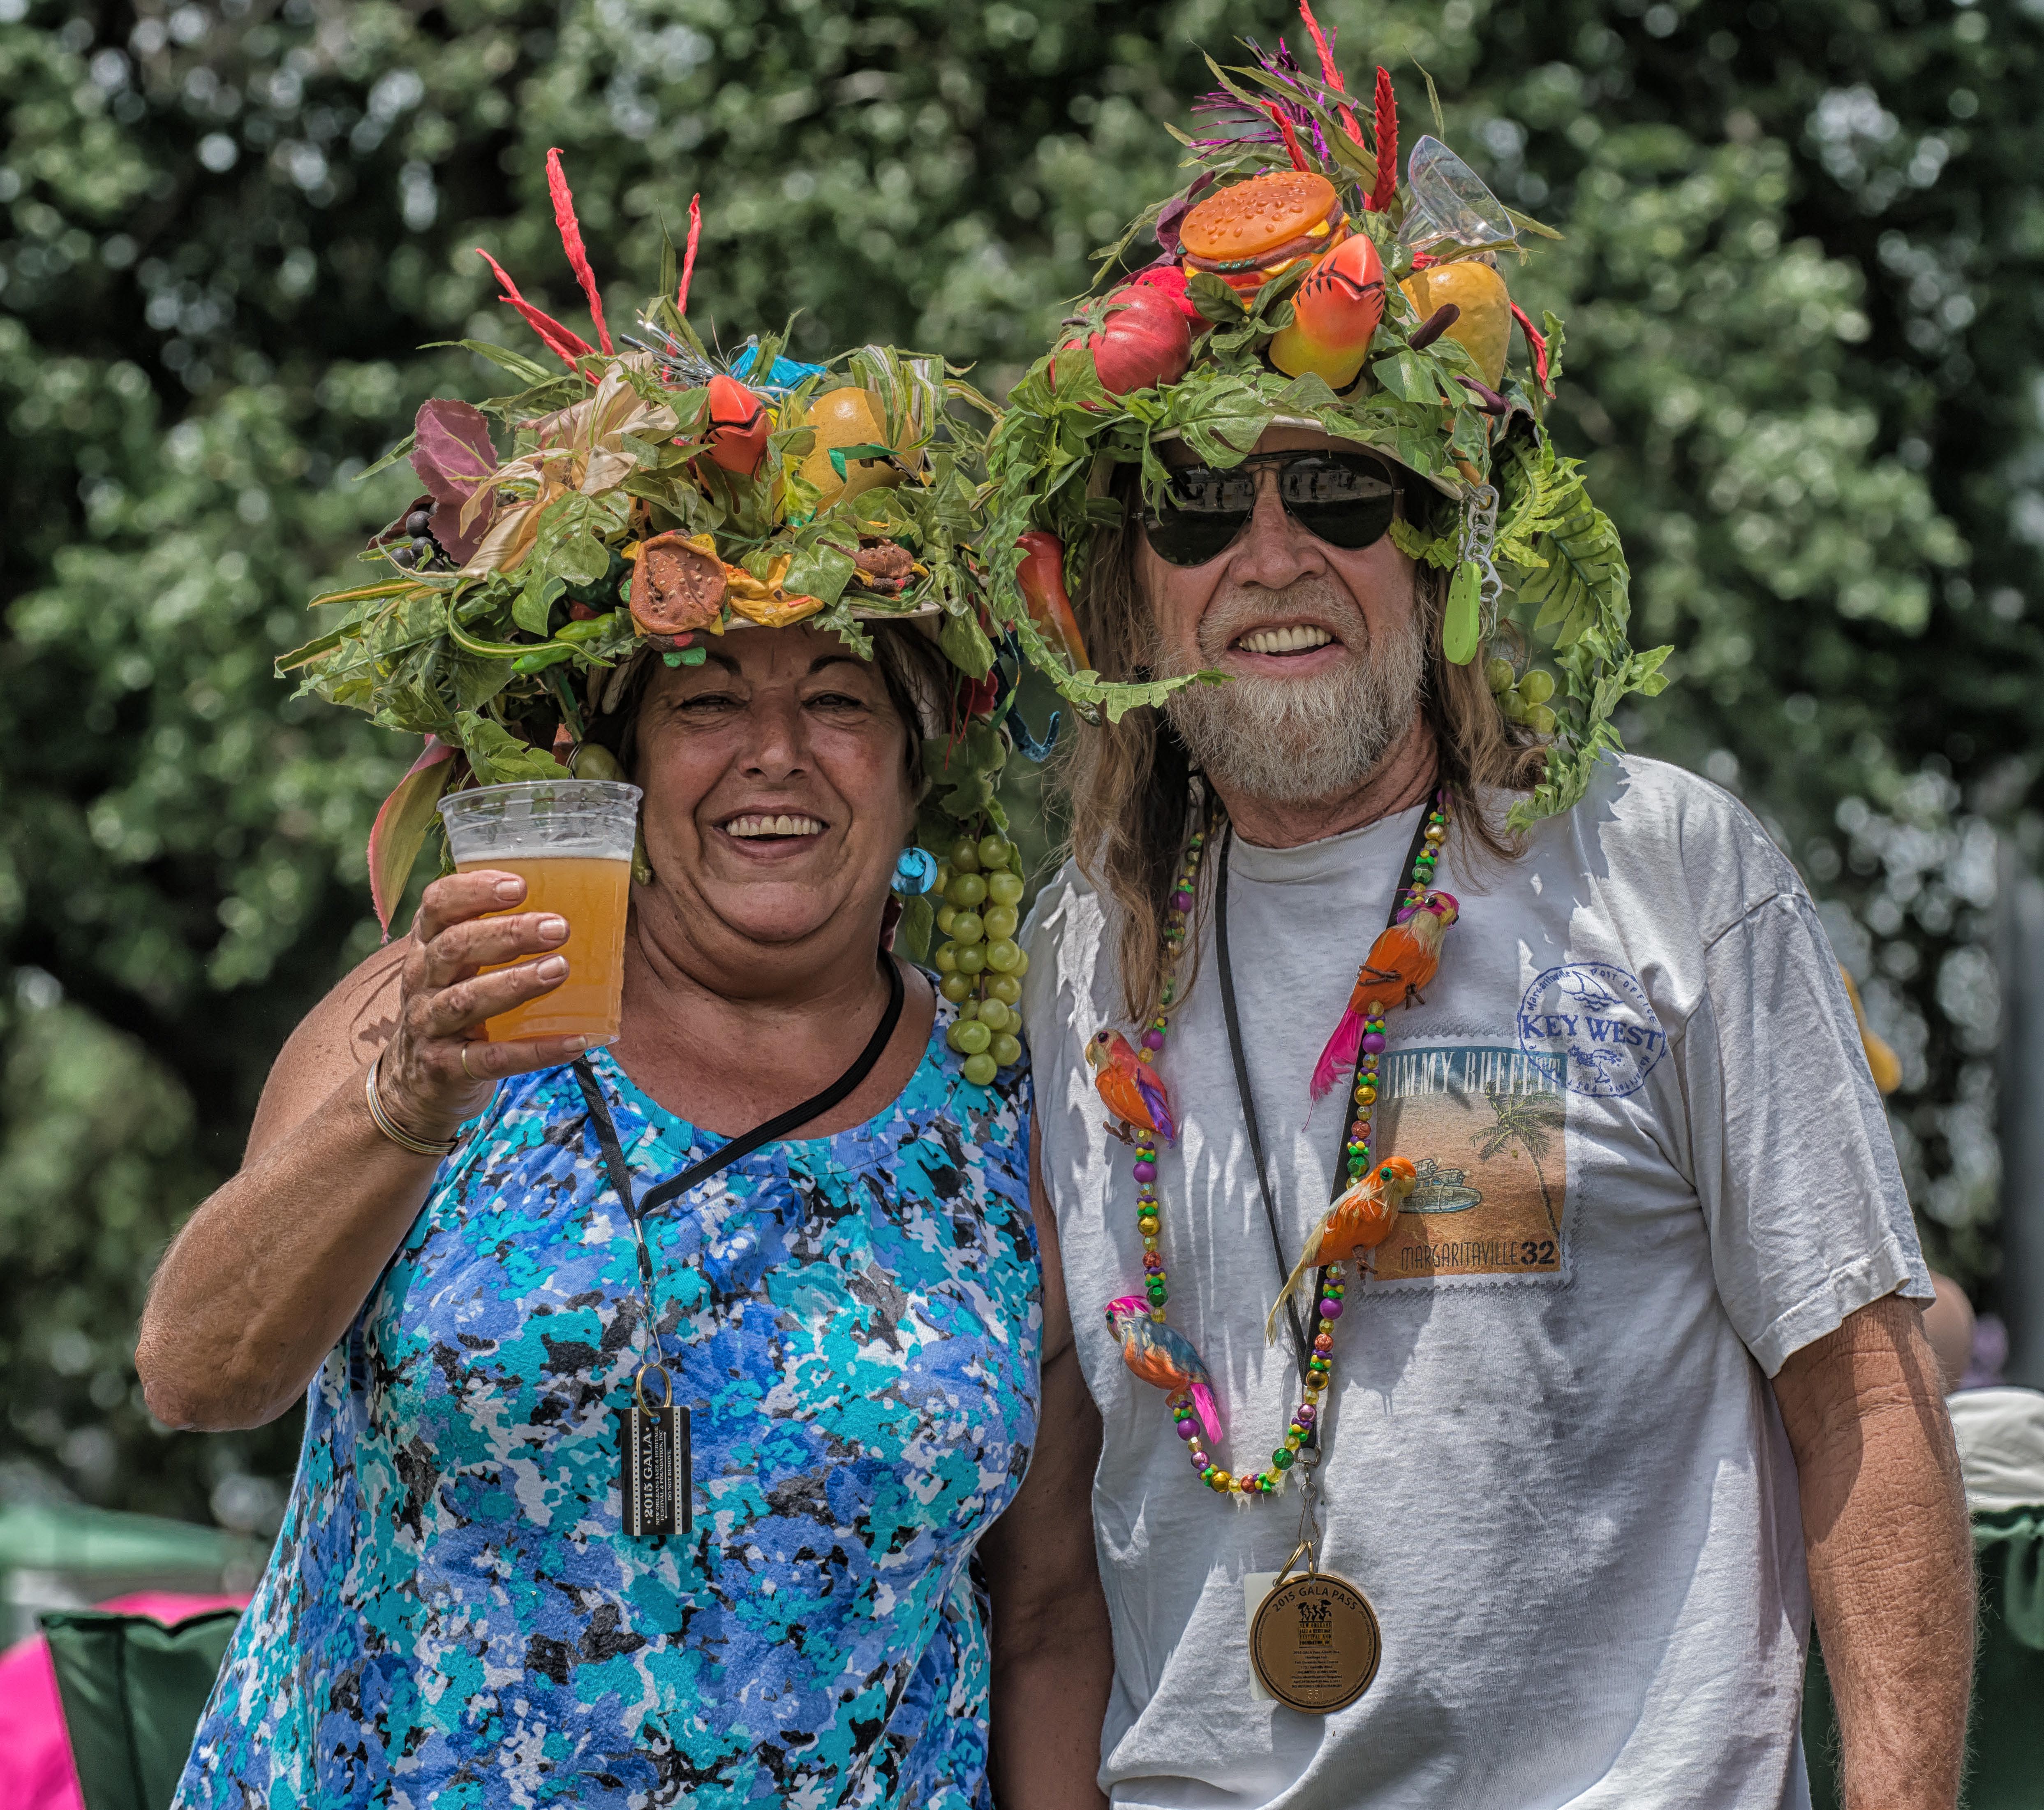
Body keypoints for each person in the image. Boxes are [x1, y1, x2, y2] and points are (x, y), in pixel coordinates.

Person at [986, 15, 1972, 1808]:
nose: (1273, 556)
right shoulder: (1080, 948)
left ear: (1441, 543)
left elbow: (1866, 1401)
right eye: (1204, 505)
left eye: (1342, 489)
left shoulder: (1658, 868)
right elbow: (1054, 1549)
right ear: (1131, 581)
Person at [136, 169, 1111, 1808]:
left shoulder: (1007, 1132)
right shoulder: (453, 1005)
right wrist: (411, 1106)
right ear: (628, 756)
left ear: (918, 759)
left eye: (838, 702)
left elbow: (1045, 1612)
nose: (776, 756)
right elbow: (195, 1373)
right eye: (710, 699)